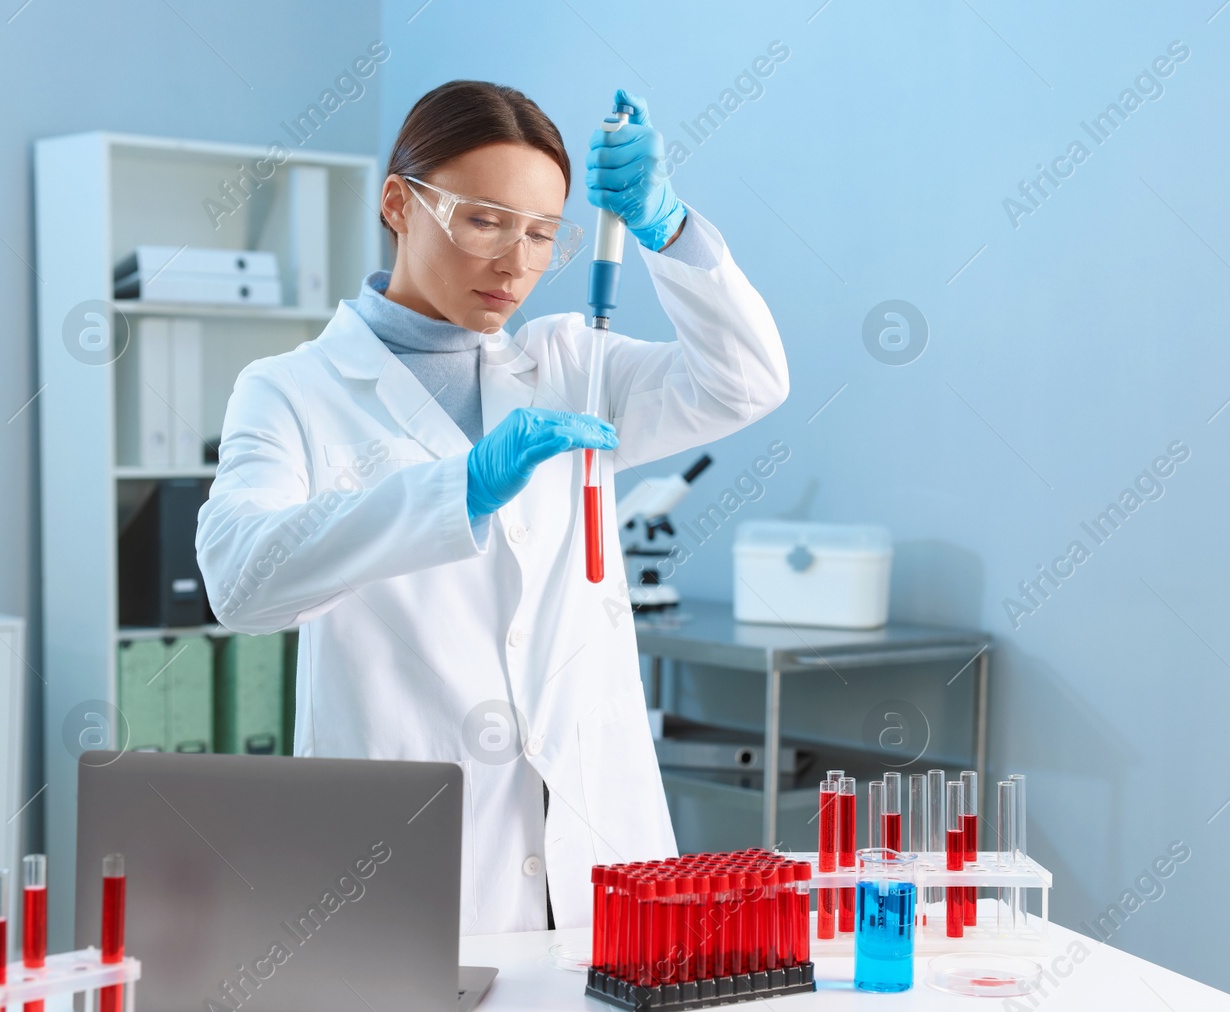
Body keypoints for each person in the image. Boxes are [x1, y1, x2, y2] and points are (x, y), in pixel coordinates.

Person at [195, 81, 789, 934]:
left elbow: (747, 381)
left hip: (597, 854)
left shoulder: (568, 364)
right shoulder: (292, 391)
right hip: (411, 864)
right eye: (484, 220)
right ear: (398, 203)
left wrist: (672, 228)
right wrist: (457, 490)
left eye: (544, 233)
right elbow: (240, 581)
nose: (517, 262)